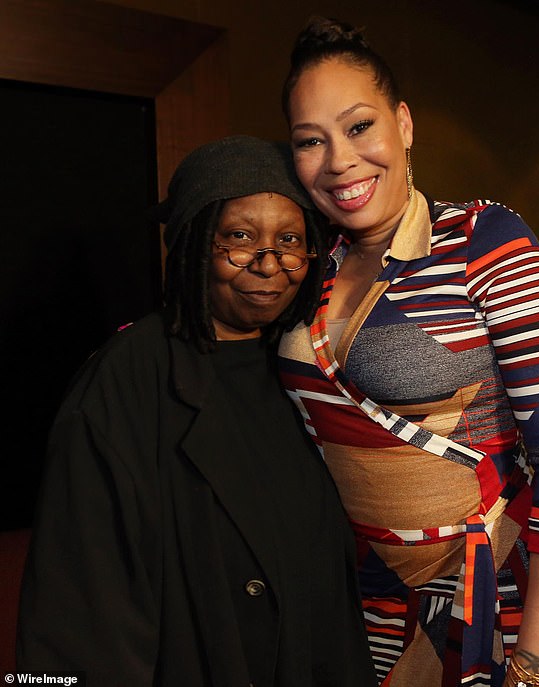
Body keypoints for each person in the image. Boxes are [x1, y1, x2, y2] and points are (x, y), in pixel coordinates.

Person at [277, 17, 539, 687]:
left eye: (359, 126)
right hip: (370, 603)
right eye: (312, 140)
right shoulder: (311, 265)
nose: (339, 160)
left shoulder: (485, 241)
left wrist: (537, 666)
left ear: (404, 123)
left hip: (506, 595)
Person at [17, 135, 377, 687]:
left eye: (289, 240)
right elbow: (79, 606)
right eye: (238, 238)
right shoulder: (124, 380)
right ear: (192, 244)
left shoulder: (308, 364)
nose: (269, 264)